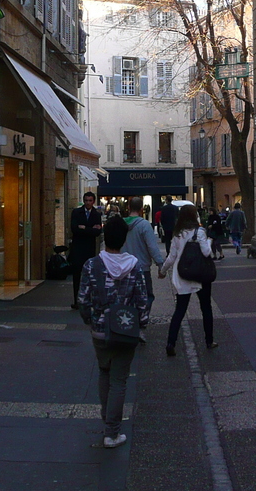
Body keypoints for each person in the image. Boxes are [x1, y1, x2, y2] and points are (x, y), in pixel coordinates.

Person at [78, 215, 150, 449]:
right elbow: (142, 299)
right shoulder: (135, 265)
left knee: (104, 373)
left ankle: (106, 419)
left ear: (104, 237)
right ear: (123, 239)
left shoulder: (92, 265)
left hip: (100, 329)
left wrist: (90, 319)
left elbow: (82, 299)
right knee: (119, 380)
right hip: (125, 330)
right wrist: (142, 324)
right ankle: (112, 432)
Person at [159, 205, 216, 356]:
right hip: (200, 275)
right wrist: (209, 241)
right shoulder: (200, 232)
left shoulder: (177, 234)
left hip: (183, 275)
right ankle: (209, 340)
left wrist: (163, 271)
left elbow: (171, 257)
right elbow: (206, 252)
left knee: (180, 310)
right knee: (206, 308)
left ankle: (171, 342)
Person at [122, 196, 164, 319]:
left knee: (126, 297)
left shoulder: (121, 224)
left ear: (128, 208)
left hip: (124, 267)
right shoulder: (145, 225)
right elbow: (152, 247)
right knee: (146, 296)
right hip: (142, 267)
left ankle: (128, 320)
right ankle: (140, 320)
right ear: (141, 209)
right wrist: (160, 264)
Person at [68, 191, 103, 309]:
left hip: (90, 249)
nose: (88, 203)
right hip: (78, 248)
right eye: (86, 200)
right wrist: (90, 229)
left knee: (90, 275)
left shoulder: (96, 215)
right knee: (77, 275)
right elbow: (74, 229)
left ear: (93, 201)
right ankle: (76, 300)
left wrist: (84, 228)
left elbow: (97, 232)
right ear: (84, 201)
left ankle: (88, 299)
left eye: (90, 200)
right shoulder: (76, 212)